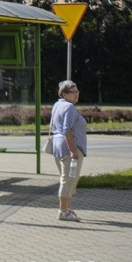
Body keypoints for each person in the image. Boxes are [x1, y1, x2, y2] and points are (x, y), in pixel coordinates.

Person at [50, 80, 87, 222]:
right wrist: (73, 151)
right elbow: (67, 130)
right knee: (68, 180)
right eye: (73, 92)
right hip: (69, 148)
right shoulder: (69, 108)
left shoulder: (57, 104)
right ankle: (63, 211)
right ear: (64, 94)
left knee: (68, 179)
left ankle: (68, 209)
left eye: (77, 91)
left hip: (59, 148)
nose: (77, 94)